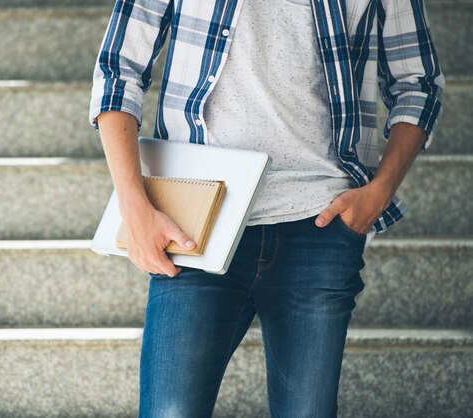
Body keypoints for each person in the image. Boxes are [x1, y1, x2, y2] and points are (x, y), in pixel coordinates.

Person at [88, 0, 444, 416]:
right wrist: (134, 206)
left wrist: (380, 191)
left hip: (322, 222)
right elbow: (119, 68)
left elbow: (418, 83)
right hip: (197, 223)